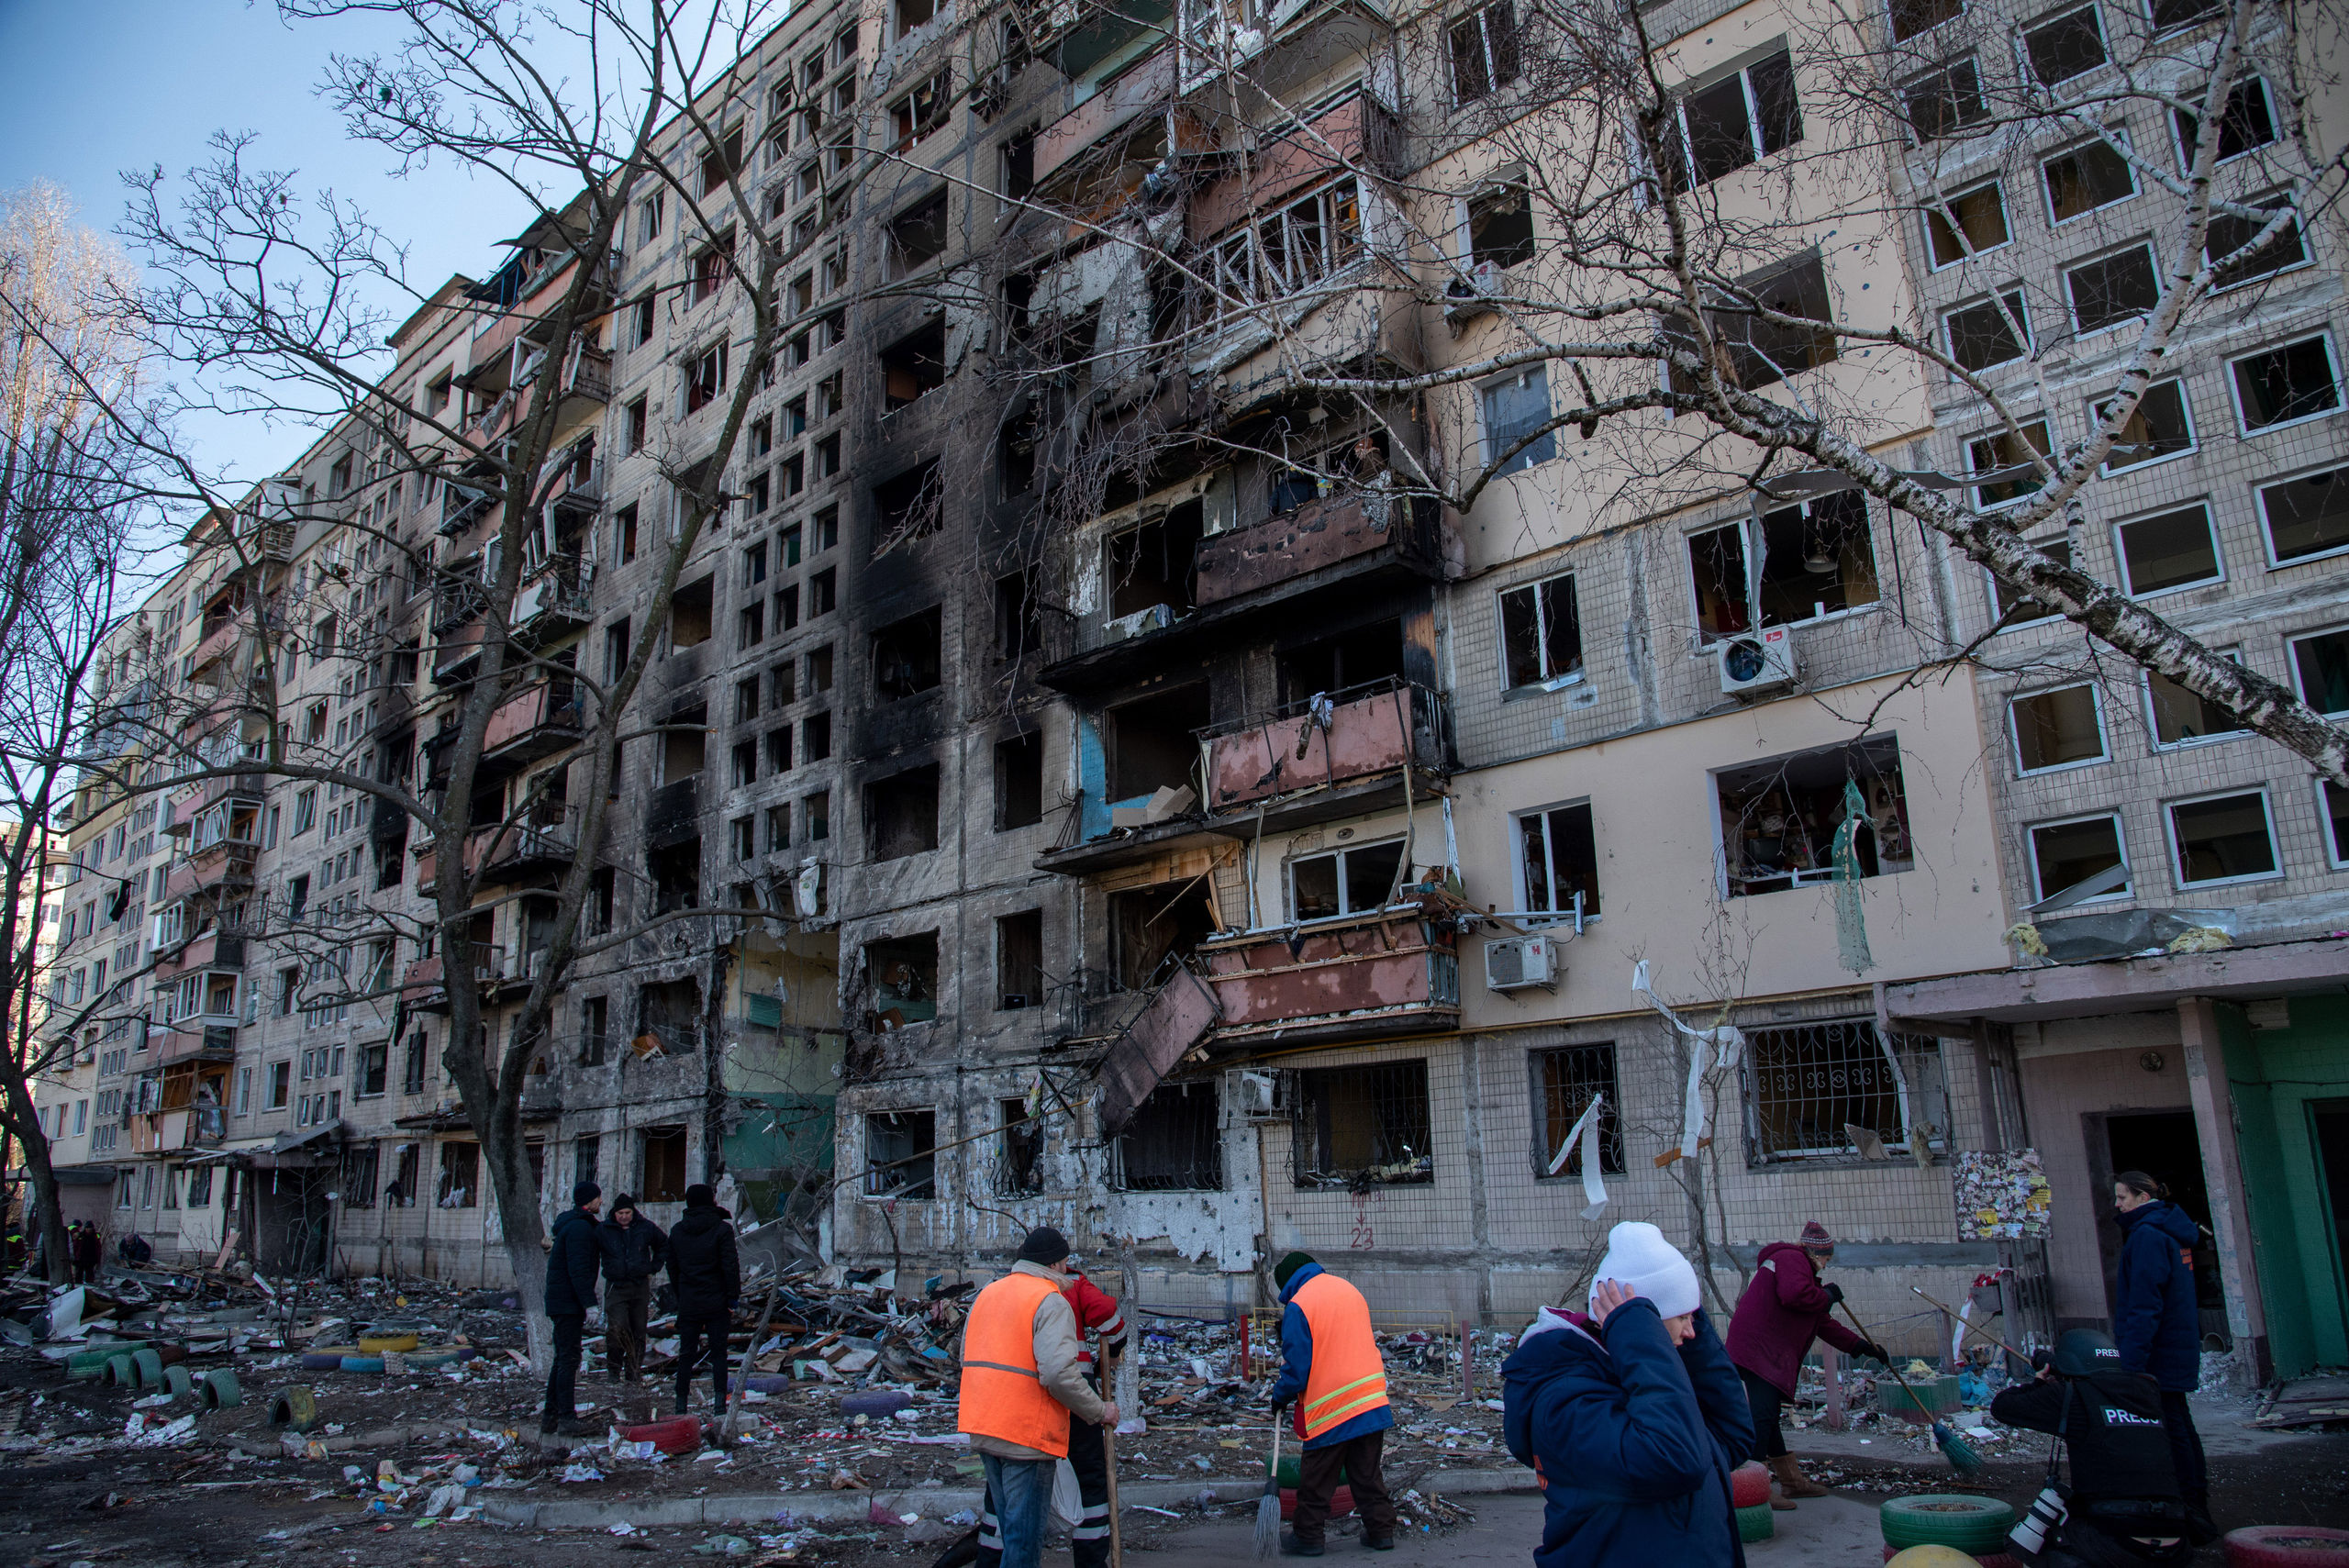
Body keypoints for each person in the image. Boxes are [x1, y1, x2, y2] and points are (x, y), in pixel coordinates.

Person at [1502, 1221, 1753, 1568]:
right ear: (1644, 1323)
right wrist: (1642, 1336)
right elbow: (1675, 1460)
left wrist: (1684, 1346)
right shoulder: (1563, 1400)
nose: (1692, 1331)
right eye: (1682, 1317)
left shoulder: (1636, 1374)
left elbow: (1731, 1439)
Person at [958, 1227, 1119, 1568]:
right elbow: (1058, 1374)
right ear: (1058, 1264)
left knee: (1008, 1528)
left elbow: (966, 1358)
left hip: (984, 1426)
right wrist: (1100, 1411)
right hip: (1026, 1435)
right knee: (1024, 1542)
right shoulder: (1050, 1300)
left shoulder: (989, 1293)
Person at [1990, 1329, 2191, 1565]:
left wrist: (2040, 1382)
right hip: (2176, 1539)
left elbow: (2003, 1406)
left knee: (2031, 1540)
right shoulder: (2149, 1393)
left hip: (2114, 1540)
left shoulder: (2073, 1396)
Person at [1723, 1219, 1887, 1506]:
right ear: (1815, 1253)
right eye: (1826, 1259)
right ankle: (1754, 1488)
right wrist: (1826, 1296)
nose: (1826, 1265)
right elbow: (1794, 1296)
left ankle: (1791, 1483)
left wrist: (1861, 1346)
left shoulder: (1797, 1270)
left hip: (1761, 1350)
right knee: (1762, 1415)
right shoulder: (1792, 1259)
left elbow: (1821, 1322)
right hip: (1758, 1350)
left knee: (1768, 1415)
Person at [1267, 1251, 1397, 1557]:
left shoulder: (1300, 1304)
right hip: (1371, 1400)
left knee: (1316, 1477)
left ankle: (1309, 1537)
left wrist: (1280, 1395)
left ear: (1287, 1284)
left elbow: (1297, 1368)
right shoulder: (1348, 1289)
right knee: (1367, 1474)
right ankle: (1381, 1532)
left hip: (1332, 1407)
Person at [2111, 1172, 2210, 1533]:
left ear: (2142, 1197)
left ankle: (2190, 1510)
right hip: (2176, 1344)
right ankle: (2195, 1503)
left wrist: (2131, 1363)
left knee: (2173, 1431)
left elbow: (2144, 1304)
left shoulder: (2148, 1236)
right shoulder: (2170, 1230)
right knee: (2180, 1424)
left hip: (2159, 1351)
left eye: (2122, 1197)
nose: (2117, 1205)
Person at [667, 1183, 740, 1413]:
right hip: (716, 1301)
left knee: (686, 1354)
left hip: (689, 1301)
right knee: (719, 1353)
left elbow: (672, 1267)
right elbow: (730, 1266)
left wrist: (681, 1294)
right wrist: (732, 1298)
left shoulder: (678, 1231)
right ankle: (719, 1405)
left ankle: (680, 1405)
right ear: (710, 1200)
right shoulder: (722, 1230)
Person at [542, 1181, 605, 1438]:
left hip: (562, 1301)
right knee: (569, 1359)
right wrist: (589, 1303)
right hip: (568, 1303)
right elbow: (579, 1270)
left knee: (562, 1359)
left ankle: (551, 1416)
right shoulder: (580, 1228)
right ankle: (567, 1418)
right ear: (589, 1201)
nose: (601, 1202)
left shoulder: (572, 1225)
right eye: (598, 1198)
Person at [598, 1193, 668, 1397]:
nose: (624, 1216)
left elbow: (663, 1245)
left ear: (633, 1211)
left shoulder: (645, 1227)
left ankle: (633, 1373)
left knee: (638, 1330)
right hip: (616, 1286)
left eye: (627, 1212)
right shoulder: (604, 1230)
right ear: (614, 1213)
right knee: (617, 1328)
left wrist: (654, 1266)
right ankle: (613, 1371)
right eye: (620, 1213)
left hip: (639, 1285)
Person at [71, 1221, 101, 1285]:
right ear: (85, 1228)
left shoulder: (95, 1236)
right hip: (80, 1258)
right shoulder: (80, 1235)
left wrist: (98, 1259)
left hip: (91, 1259)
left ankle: (89, 1286)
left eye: (90, 1228)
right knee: (79, 1274)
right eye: (87, 1228)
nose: (89, 1229)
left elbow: (98, 1248)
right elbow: (75, 1246)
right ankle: (78, 1286)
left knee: (89, 1275)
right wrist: (76, 1256)